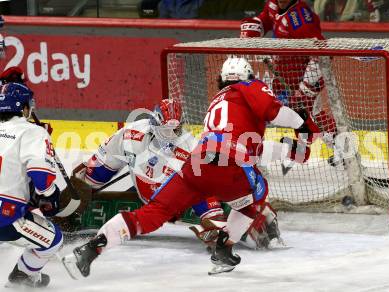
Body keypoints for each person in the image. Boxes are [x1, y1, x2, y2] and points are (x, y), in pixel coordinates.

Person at [62, 56, 319, 278]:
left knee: (152, 213)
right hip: (229, 162)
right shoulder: (248, 87)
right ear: (246, 77)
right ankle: (224, 247)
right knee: (255, 196)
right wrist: (302, 126)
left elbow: (246, 145)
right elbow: (273, 113)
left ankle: (92, 248)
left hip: (197, 163)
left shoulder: (216, 103)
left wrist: (292, 149)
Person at [70, 98, 284, 249]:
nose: (171, 135)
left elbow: (204, 188)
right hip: (151, 199)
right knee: (75, 194)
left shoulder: (190, 146)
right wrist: (80, 189)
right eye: (166, 129)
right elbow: (100, 169)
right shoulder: (130, 134)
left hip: (179, 202)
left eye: (176, 129)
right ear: (154, 123)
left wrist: (213, 218)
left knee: (225, 202)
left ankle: (252, 216)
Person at [240, 0, 337, 158]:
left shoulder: (301, 20)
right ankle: (253, 151)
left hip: (303, 79)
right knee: (268, 111)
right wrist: (254, 28)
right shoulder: (273, 4)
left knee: (311, 116)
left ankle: (344, 154)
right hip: (284, 76)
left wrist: (304, 88)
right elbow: (265, 19)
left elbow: (322, 54)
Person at [0, 82, 63, 288]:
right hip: (4, 214)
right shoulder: (32, 132)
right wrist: (51, 197)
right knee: (54, 240)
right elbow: (41, 178)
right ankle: (22, 277)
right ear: (24, 108)